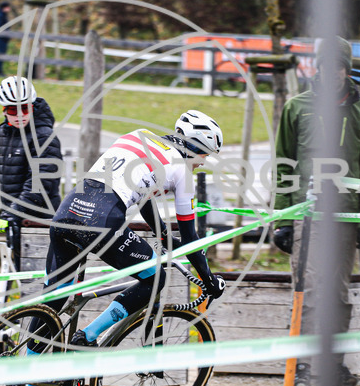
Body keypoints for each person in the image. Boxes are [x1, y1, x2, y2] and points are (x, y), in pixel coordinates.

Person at [42, 110, 228, 353]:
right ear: (193, 146)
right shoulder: (183, 172)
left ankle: (27, 380)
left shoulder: (141, 136)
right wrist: (209, 280)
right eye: (204, 154)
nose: (203, 161)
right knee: (155, 277)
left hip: (67, 213)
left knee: (53, 299)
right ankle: (87, 336)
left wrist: (162, 236)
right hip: (101, 221)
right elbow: (191, 239)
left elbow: (144, 194)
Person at [272, 36, 360, 386]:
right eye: (327, 65)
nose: (333, 72)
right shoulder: (296, 108)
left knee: (337, 291)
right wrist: (283, 220)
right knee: (309, 288)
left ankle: (334, 365)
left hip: (345, 216)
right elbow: (283, 167)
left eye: (341, 66)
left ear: (348, 70)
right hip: (306, 213)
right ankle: (300, 366)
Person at [0, 76, 63, 270]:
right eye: (12, 110)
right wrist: (8, 213)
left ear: (32, 106)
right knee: (20, 278)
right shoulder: (3, 134)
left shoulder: (44, 137)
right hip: (16, 218)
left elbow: (39, 184)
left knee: (38, 282)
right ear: (4, 110)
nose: (19, 115)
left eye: (24, 108)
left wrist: (11, 213)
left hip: (42, 220)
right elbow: (10, 180)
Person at [0, 1, 12, 76]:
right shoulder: (1, 15)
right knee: (1, 54)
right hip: (1, 38)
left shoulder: (2, 15)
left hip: (3, 37)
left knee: (1, 53)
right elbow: (1, 26)